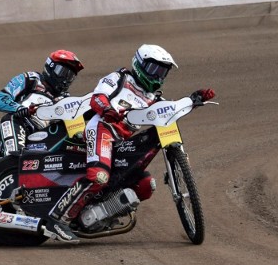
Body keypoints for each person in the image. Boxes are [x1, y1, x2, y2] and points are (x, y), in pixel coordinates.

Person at [45, 44, 216, 242]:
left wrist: (194, 99)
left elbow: (167, 111)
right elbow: (97, 97)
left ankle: (103, 213)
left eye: (163, 72)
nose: (158, 76)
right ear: (139, 64)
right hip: (102, 129)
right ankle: (56, 220)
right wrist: (107, 109)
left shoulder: (152, 96)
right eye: (154, 70)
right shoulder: (119, 78)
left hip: (120, 140)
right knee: (98, 177)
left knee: (145, 185)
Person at [0, 50, 84, 156]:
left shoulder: (65, 99)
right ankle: (12, 159)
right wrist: (19, 108)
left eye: (70, 76)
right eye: (62, 72)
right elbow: (0, 98)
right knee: (10, 119)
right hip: (22, 123)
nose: (65, 79)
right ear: (50, 66)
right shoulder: (31, 78)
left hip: (46, 137)